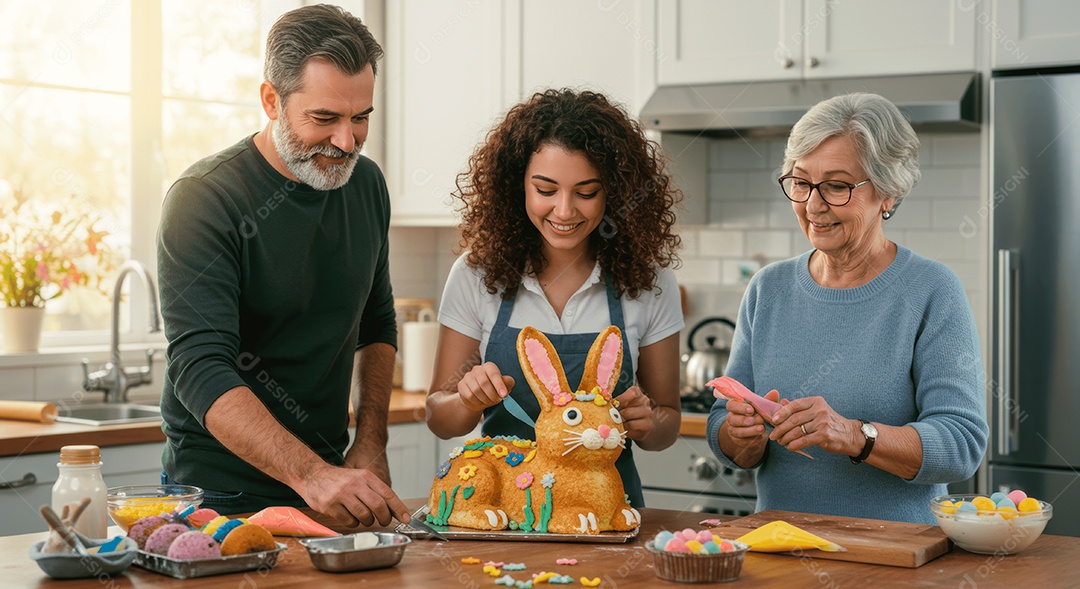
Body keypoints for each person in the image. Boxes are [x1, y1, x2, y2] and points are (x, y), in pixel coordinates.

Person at [157, 4, 410, 528]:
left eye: (360, 118)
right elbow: (200, 367)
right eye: (324, 119)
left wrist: (369, 441)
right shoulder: (204, 199)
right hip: (219, 498)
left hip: (329, 483)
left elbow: (377, 323)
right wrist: (312, 474)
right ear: (271, 100)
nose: (347, 141)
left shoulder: (366, 185)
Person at [706, 93, 988, 524]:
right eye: (800, 182)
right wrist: (740, 435)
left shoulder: (931, 290)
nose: (812, 205)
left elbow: (961, 445)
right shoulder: (769, 288)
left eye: (837, 186)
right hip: (780, 547)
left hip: (894, 555)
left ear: (889, 193)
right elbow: (727, 434)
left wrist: (857, 435)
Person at [424, 89, 684, 507]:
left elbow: (668, 422)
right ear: (517, 186)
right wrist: (465, 400)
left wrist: (648, 422)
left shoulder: (649, 282)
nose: (564, 211)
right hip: (506, 512)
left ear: (614, 192)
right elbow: (439, 417)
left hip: (608, 513)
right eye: (545, 190)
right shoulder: (477, 274)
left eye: (586, 192)